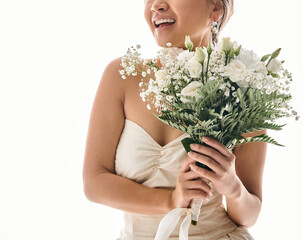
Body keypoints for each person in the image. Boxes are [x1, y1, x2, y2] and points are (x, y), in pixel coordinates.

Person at [82, 0, 267, 239]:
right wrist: (171, 200)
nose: (156, 5)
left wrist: (233, 187)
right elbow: (94, 183)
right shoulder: (122, 76)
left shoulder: (242, 89)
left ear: (215, 9)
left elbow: (250, 215)